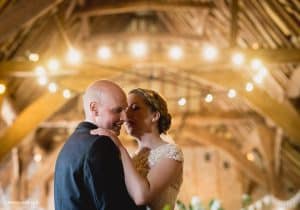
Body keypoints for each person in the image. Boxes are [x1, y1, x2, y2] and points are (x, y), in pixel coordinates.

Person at [54, 80, 146, 210]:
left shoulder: (71, 143)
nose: (125, 118)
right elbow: (115, 206)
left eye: (124, 110)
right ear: (94, 109)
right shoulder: (100, 144)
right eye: (117, 110)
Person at [91, 88, 184, 210]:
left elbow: (142, 196)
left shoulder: (171, 153)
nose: (126, 115)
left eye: (135, 108)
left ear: (155, 116)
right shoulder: (133, 156)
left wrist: (119, 147)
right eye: (125, 109)